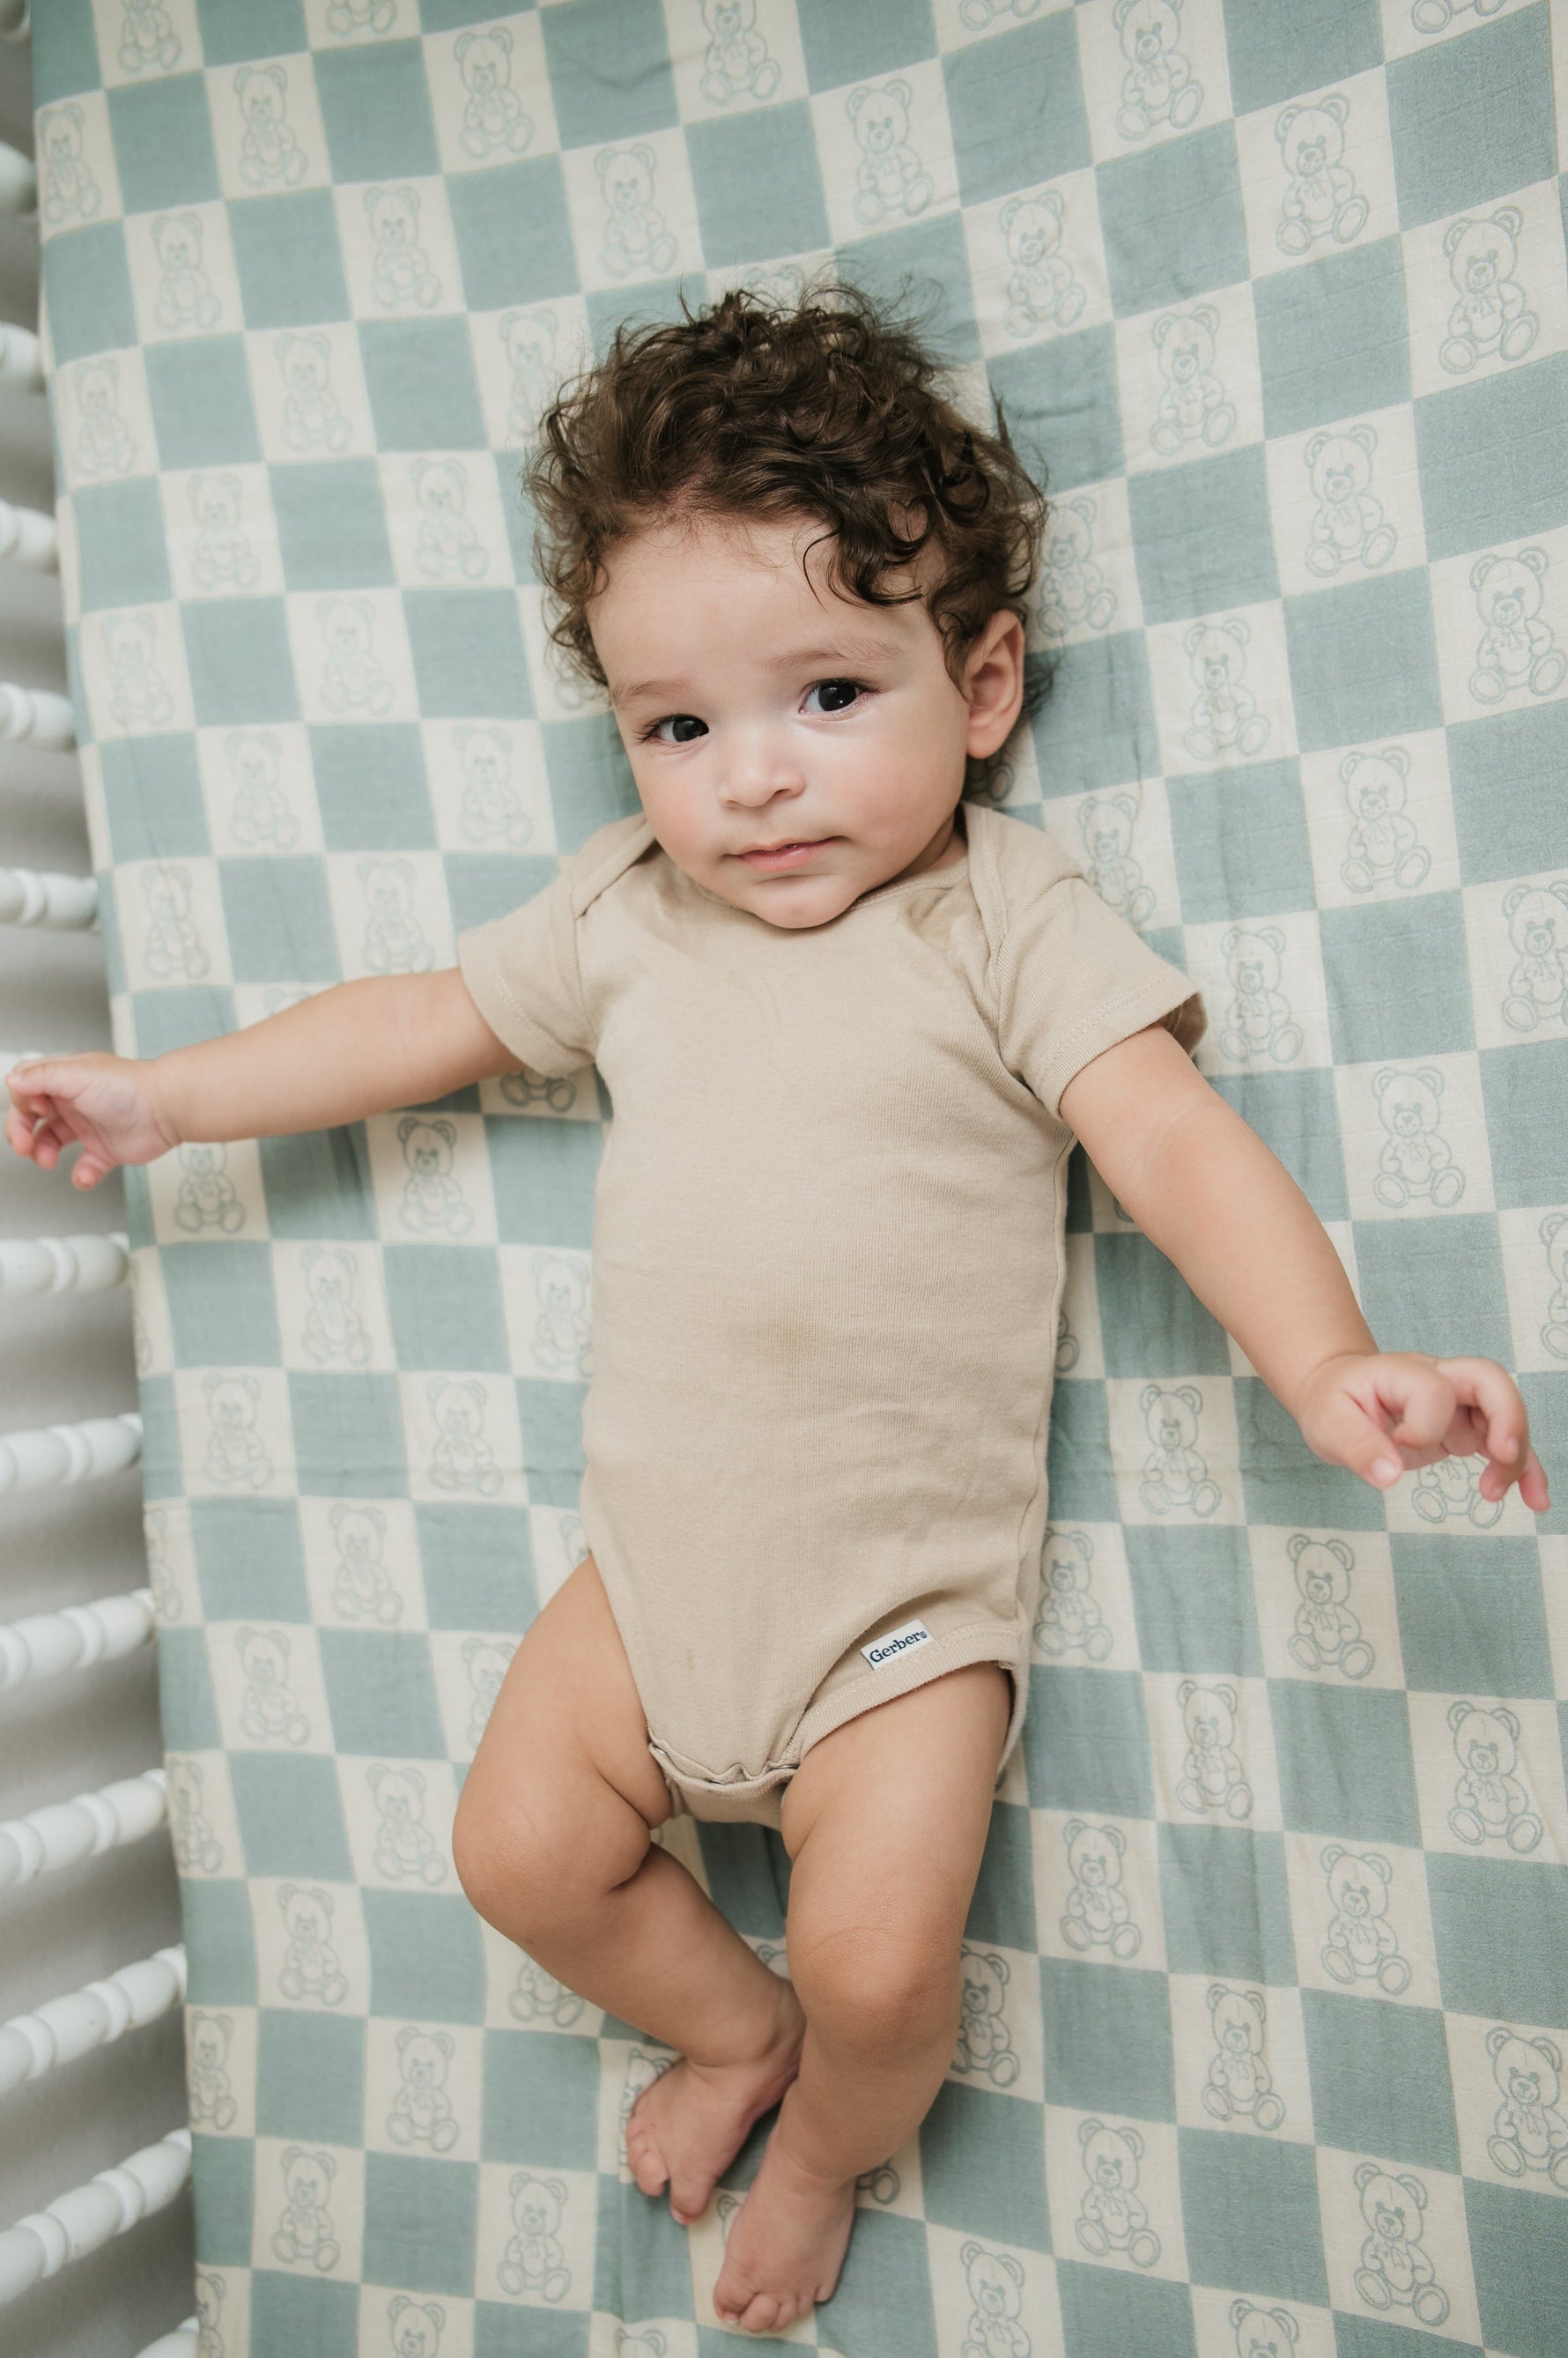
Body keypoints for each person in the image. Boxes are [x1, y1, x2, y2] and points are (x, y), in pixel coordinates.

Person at [5, 282, 1548, 2337]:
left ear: (980, 682)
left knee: (889, 1967)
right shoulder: (627, 919)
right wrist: (169, 1094)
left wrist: (1326, 1354)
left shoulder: (1006, 917)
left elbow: (1172, 1148)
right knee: (516, 1854)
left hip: (892, 1623)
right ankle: (738, 2037)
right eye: (677, 727)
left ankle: (825, 2133)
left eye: (827, 693)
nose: (750, 781)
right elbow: (421, 1025)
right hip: (643, 1582)